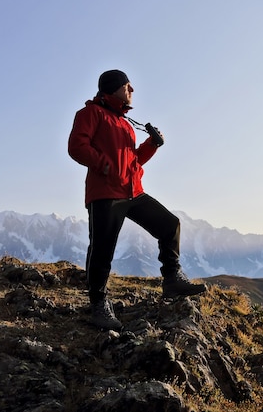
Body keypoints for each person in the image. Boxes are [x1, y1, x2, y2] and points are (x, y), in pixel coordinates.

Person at [68, 69, 207, 330]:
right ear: (113, 88)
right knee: (102, 249)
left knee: (170, 225)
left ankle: (172, 280)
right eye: (127, 86)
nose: (132, 91)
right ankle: (98, 305)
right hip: (105, 193)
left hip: (133, 192)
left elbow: (133, 162)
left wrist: (151, 145)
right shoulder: (91, 113)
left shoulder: (124, 123)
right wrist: (104, 165)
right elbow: (76, 146)